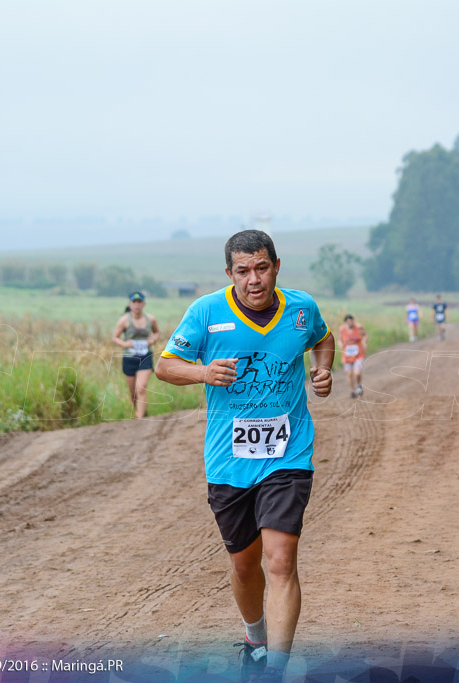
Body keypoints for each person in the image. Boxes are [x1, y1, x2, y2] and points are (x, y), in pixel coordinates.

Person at [155, 230, 334, 680]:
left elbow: (323, 339)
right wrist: (201, 371)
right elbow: (164, 365)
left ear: (276, 266)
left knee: (280, 559)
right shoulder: (207, 312)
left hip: (287, 454)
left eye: (261, 267)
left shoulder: (301, 308)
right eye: (242, 271)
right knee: (244, 563)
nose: (254, 279)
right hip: (229, 462)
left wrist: (323, 368)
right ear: (230, 273)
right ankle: (255, 639)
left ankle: (276, 667)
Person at [112, 291, 159, 418]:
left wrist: (152, 340)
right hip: (129, 358)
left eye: (139, 302)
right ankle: (140, 411)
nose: (137, 305)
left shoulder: (151, 319)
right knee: (133, 393)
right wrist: (124, 344)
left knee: (141, 388)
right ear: (130, 304)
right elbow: (115, 338)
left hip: (145, 356)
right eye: (134, 302)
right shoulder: (124, 321)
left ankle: (140, 419)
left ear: (144, 304)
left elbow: (156, 333)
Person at [339, 314, 367, 398]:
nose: (350, 323)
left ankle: (358, 385)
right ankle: (352, 391)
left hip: (359, 354)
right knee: (349, 374)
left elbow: (365, 334)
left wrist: (364, 342)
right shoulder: (342, 329)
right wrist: (340, 345)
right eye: (348, 322)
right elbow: (339, 340)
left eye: (351, 321)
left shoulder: (358, 327)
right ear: (345, 322)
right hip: (347, 355)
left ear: (353, 321)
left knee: (357, 372)